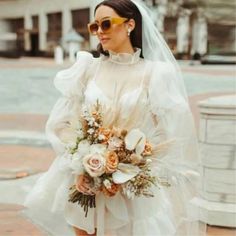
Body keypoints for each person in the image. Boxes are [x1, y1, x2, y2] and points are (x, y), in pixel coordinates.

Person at [24, 0, 206, 235]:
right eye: (94, 26)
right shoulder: (88, 68)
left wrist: (133, 160)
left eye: (106, 24)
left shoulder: (156, 74)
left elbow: (171, 131)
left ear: (130, 24)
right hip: (84, 180)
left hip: (131, 187)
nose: (99, 31)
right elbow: (64, 123)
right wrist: (81, 163)